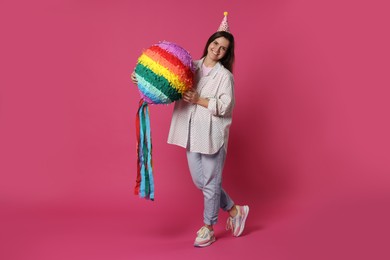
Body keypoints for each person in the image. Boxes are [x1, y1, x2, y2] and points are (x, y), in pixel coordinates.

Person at [132, 12, 249, 247]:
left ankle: (208, 228)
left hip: (211, 135)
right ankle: (236, 211)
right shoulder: (188, 67)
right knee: (202, 183)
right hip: (190, 133)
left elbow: (226, 107)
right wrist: (143, 78)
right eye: (215, 43)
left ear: (227, 54)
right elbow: (167, 82)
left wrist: (199, 99)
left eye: (223, 48)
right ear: (209, 43)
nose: (217, 49)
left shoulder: (225, 77)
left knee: (211, 184)